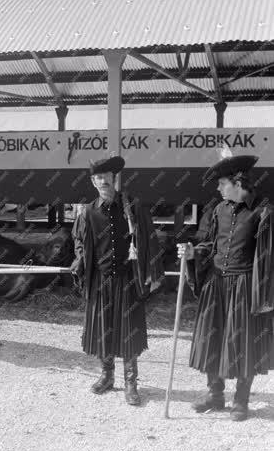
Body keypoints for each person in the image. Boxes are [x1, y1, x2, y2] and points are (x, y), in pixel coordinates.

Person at [178, 155, 273, 421]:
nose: (218, 189)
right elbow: (209, 245)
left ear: (238, 182)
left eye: (222, 183)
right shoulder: (217, 211)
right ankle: (215, 395)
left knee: (243, 342)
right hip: (216, 284)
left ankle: (240, 401)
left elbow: (268, 256)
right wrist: (192, 252)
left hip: (244, 286)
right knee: (213, 338)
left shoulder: (263, 212)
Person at [70, 156, 164, 405]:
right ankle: (107, 375)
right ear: (92, 181)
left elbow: (150, 240)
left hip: (127, 279)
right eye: (97, 177)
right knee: (103, 330)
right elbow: (80, 244)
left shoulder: (133, 207)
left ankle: (131, 383)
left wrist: (151, 273)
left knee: (129, 331)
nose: (102, 181)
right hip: (100, 280)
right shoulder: (88, 212)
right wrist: (79, 265)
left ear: (114, 178)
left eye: (106, 176)